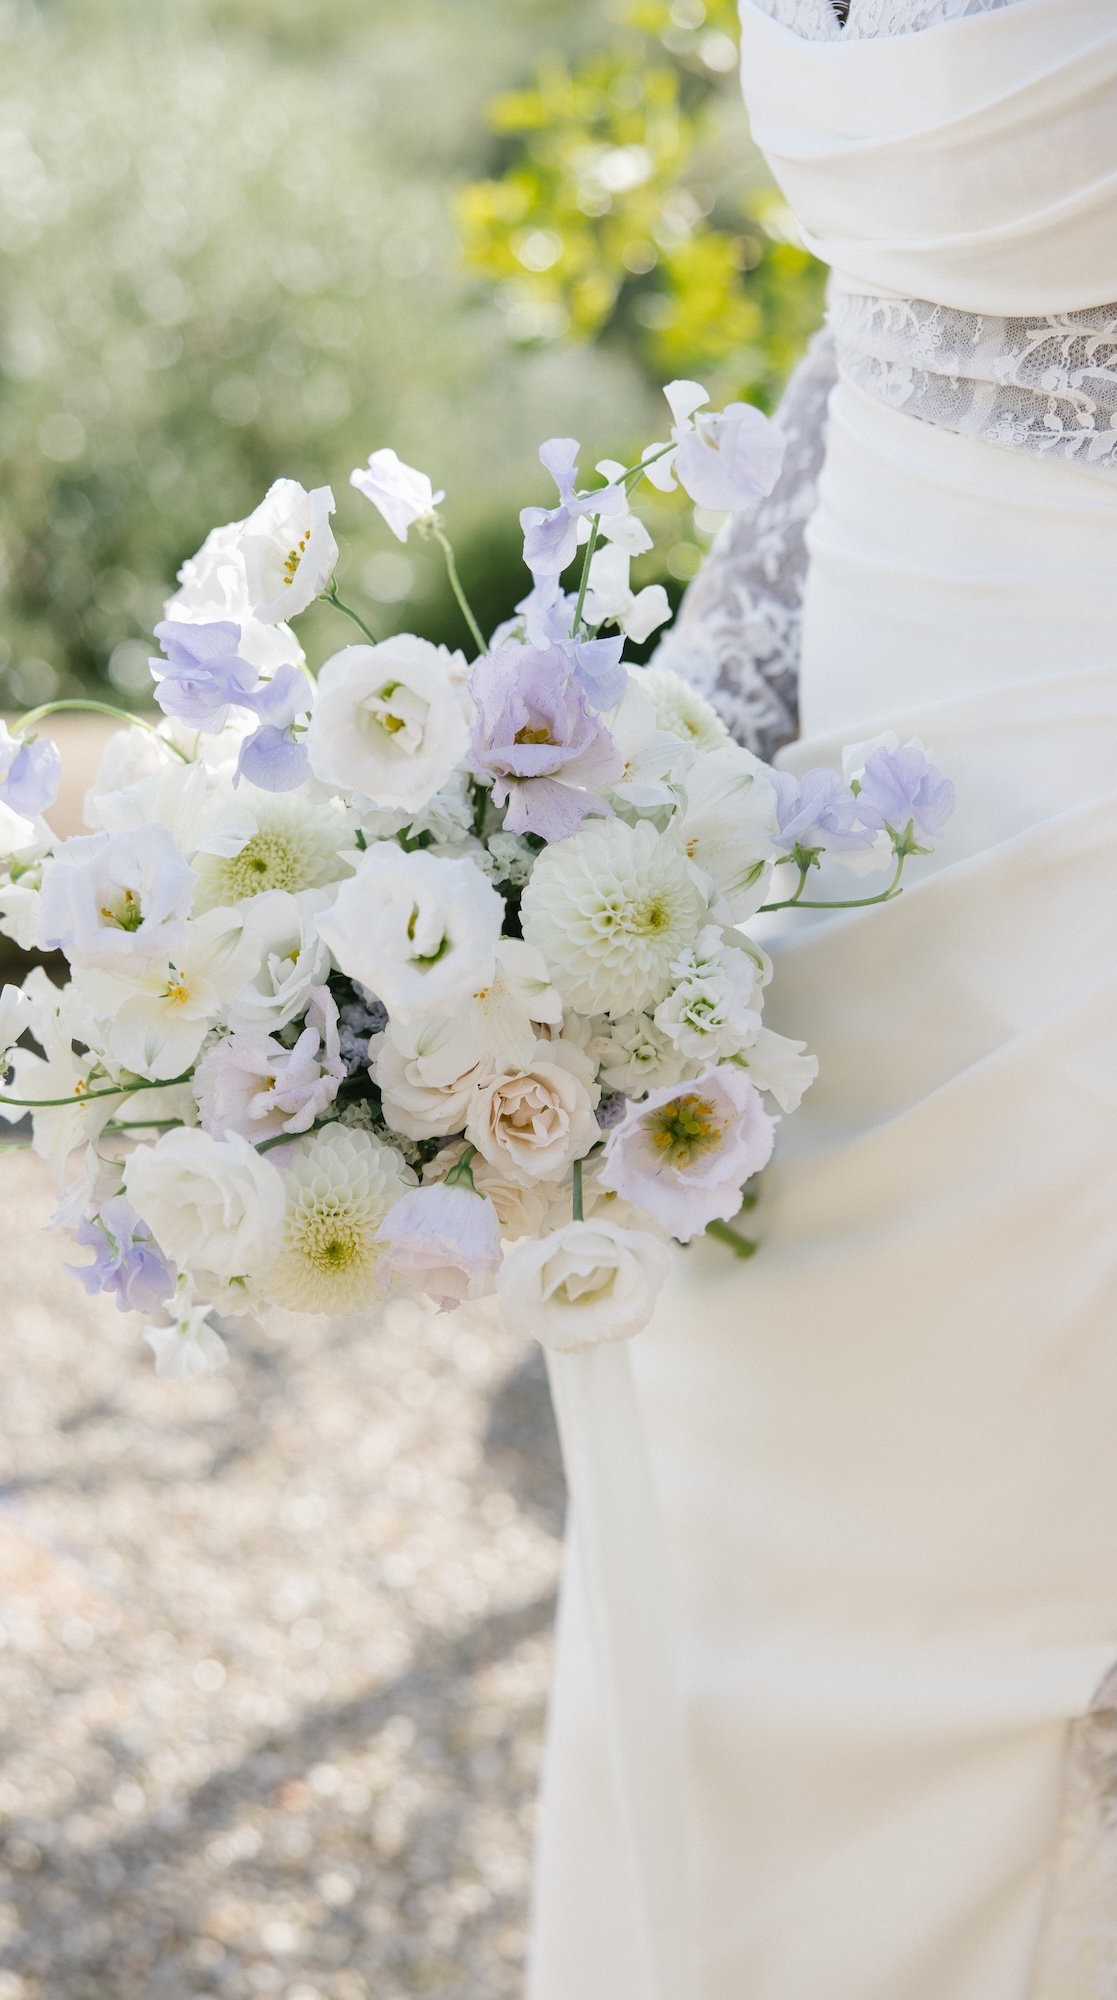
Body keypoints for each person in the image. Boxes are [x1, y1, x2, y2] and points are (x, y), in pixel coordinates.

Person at [527, 1, 1117, 1994]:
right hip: (826, 847)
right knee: (727, 1550)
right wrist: (660, 763)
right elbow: (883, 339)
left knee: (1014, 1583)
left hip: (1088, 840)